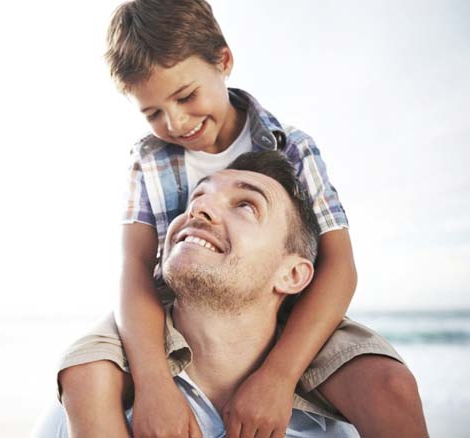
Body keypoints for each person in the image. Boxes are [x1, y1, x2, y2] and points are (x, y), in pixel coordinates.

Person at [55, 1, 427, 437]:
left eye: (185, 96)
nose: (175, 122)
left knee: (390, 387)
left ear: (224, 61)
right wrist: (154, 383)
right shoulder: (148, 159)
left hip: (285, 316)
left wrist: (279, 376)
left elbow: (338, 268)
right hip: (166, 313)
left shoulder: (292, 146)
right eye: (152, 113)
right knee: (84, 376)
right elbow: (136, 269)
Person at [34, 151, 365, 437]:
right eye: (197, 199)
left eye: (247, 206)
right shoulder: (86, 413)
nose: (198, 211)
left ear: (292, 275)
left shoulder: (336, 429)